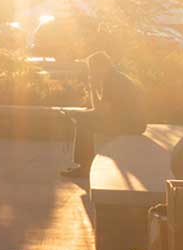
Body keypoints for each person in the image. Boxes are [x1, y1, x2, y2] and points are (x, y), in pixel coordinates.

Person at [60, 51, 146, 179]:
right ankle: (84, 165)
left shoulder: (112, 81)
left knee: (83, 123)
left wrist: (78, 111)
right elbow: (100, 110)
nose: (91, 73)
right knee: (83, 119)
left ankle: (84, 167)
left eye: (92, 69)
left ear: (101, 67)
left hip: (130, 124)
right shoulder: (113, 77)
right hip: (130, 122)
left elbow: (100, 112)